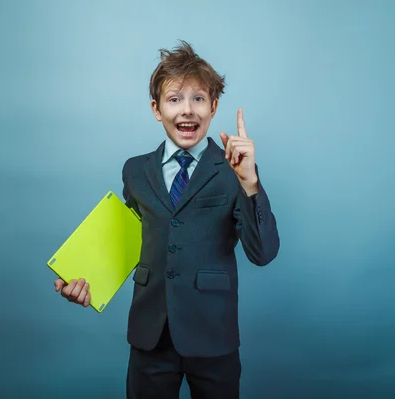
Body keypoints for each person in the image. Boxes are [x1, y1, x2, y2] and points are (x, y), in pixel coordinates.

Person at [54, 40, 280, 399]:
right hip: (150, 335)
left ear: (214, 106)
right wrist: (85, 280)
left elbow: (263, 253)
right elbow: (128, 239)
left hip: (213, 334)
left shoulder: (234, 171)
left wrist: (250, 183)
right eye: (174, 99)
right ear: (156, 109)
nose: (187, 111)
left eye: (198, 99)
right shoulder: (135, 171)